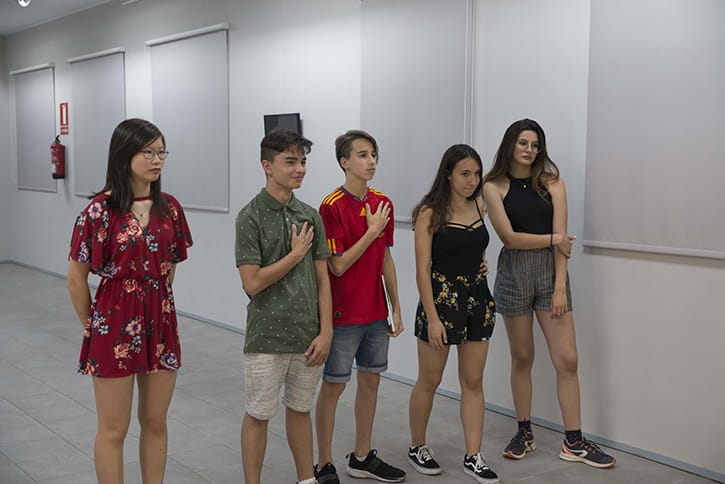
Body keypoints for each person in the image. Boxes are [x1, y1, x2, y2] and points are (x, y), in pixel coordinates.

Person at [482, 118, 615, 468]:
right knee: (522, 356)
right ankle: (524, 432)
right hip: (513, 273)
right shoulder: (493, 186)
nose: (529, 150)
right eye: (523, 143)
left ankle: (573, 441)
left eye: (535, 145)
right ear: (510, 144)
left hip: (550, 274)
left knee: (567, 359)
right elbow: (510, 238)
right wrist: (555, 239)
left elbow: (562, 243)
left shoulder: (553, 182)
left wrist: (559, 288)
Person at [66, 118, 193, 484]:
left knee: (155, 421)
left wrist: (156, 298)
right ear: (124, 155)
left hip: (161, 320)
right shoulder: (99, 211)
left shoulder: (170, 208)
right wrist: (94, 325)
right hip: (113, 322)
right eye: (147, 152)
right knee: (114, 428)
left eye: (161, 152)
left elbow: (170, 264)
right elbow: (76, 278)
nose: (157, 160)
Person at [235, 128, 332, 484]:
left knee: (300, 410)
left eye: (303, 161)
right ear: (267, 166)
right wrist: (294, 255)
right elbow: (252, 282)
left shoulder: (310, 215)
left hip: (308, 336)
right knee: (258, 414)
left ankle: (306, 479)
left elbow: (323, 279)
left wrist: (326, 331)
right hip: (266, 337)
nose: (300, 169)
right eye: (291, 162)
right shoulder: (250, 216)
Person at [314, 130, 406, 484]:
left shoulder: (383, 203)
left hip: (374, 313)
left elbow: (385, 259)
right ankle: (324, 462)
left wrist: (395, 306)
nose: (371, 162)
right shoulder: (331, 206)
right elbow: (337, 265)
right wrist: (371, 231)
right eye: (363, 155)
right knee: (334, 387)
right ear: (344, 162)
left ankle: (362, 457)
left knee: (371, 382)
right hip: (343, 314)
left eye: (373, 155)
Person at [407, 144, 500, 484]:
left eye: (476, 174)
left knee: (473, 381)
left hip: (477, 299)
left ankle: (473, 455)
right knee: (430, 380)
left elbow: (474, 246)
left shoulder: (480, 205)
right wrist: (433, 318)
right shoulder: (429, 212)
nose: (472, 180)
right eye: (464, 174)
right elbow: (422, 269)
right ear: (448, 174)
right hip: (441, 301)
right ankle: (417, 446)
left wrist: (481, 262)